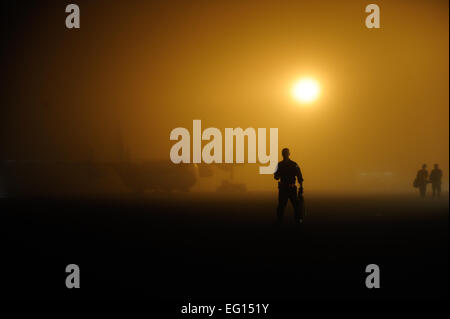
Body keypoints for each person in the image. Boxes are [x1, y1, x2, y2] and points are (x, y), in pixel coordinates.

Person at [274, 148, 304, 224]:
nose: (285, 155)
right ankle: (280, 221)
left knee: (296, 206)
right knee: (281, 207)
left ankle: (298, 221)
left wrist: (301, 187)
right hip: (284, 189)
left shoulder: (291, 164)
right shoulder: (283, 165)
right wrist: (301, 186)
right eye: (285, 153)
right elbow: (276, 176)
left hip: (290, 189)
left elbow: (299, 176)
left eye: (285, 153)